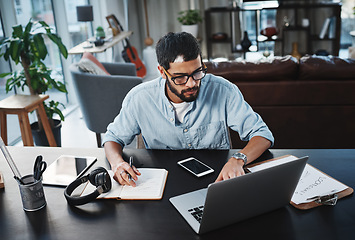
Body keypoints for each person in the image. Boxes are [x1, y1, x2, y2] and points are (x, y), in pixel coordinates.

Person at [103, 32, 274, 187]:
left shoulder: (223, 90)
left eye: (197, 72)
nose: (192, 83)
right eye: (180, 78)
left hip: (216, 183)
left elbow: (262, 134)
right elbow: (113, 138)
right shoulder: (139, 98)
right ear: (162, 72)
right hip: (160, 186)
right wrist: (117, 163)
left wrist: (239, 159)